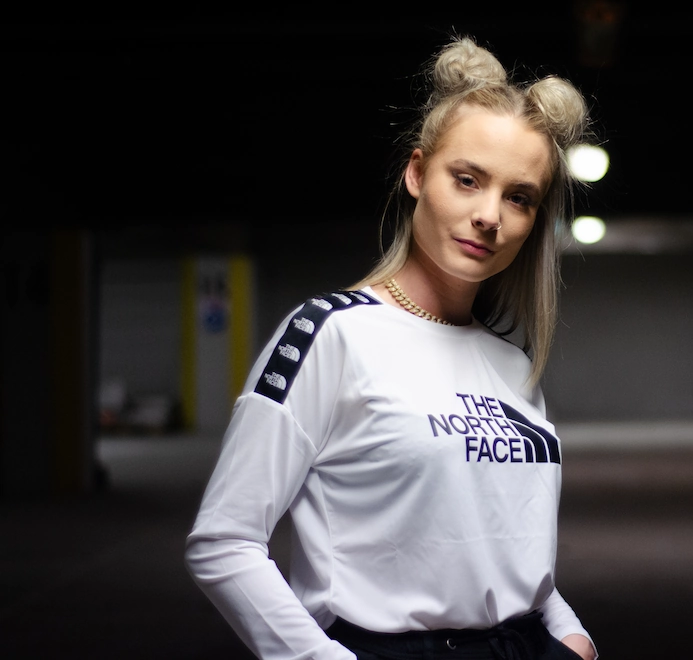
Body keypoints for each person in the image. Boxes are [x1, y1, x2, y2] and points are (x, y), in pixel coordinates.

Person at [185, 35, 597, 660]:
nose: (491, 214)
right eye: (467, 179)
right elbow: (224, 542)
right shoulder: (331, 334)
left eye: (519, 197)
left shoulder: (513, 365)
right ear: (416, 173)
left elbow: (501, 542)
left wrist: (571, 636)